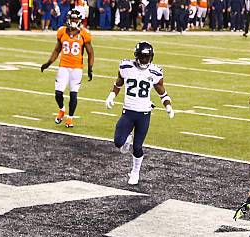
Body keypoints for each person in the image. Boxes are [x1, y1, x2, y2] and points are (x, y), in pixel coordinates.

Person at [104, 41, 174, 185]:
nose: (144, 60)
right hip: (128, 111)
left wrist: (168, 106)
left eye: (147, 57)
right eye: (142, 57)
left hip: (144, 113)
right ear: (136, 56)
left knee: (137, 147)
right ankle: (127, 137)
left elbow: (162, 92)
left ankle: (135, 172)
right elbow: (118, 83)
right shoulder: (126, 67)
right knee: (118, 142)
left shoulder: (155, 72)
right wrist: (111, 95)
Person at [40, 9, 94, 129]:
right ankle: (62, 109)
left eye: (76, 19)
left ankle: (70, 118)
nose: (74, 21)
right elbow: (57, 50)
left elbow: (90, 52)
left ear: (79, 20)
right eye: (72, 19)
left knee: (73, 94)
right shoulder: (62, 32)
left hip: (77, 69)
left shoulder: (84, 34)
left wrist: (90, 68)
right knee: (58, 93)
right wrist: (48, 63)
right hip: (63, 66)